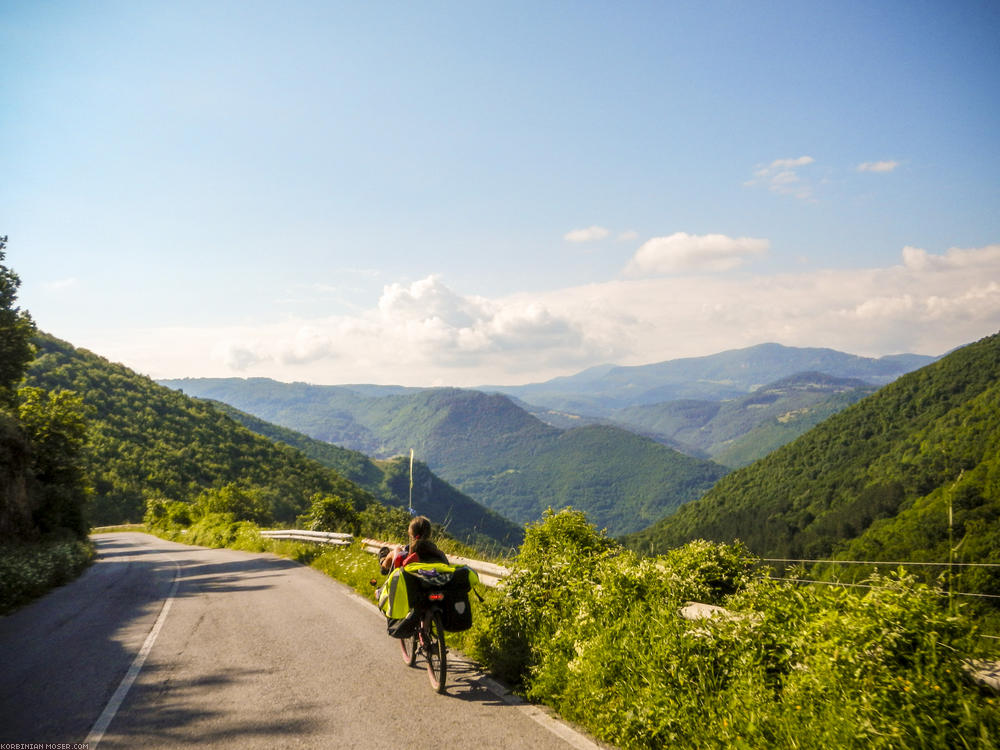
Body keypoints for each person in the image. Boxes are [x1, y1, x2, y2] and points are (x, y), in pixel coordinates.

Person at [378, 515, 448, 574]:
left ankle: (384, 564)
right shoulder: (440, 555)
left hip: (409, 585)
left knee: (397, 550)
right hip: (433, 585)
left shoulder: (410, 558)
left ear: (410, 534)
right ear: (429, 534)